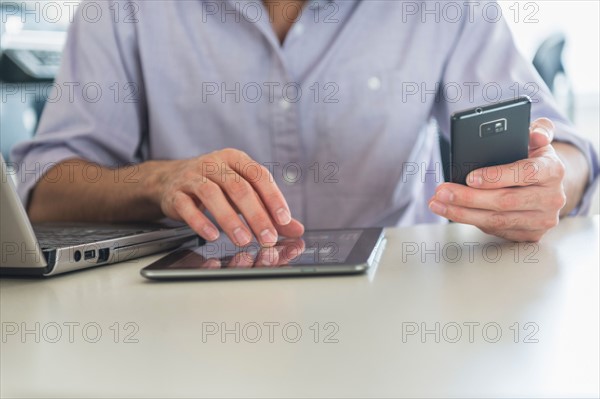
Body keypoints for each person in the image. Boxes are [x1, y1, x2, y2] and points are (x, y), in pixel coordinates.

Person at [11, 0, 599, 248]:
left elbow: (569, 152)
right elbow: (44, 192)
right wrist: (157, 182)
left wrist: (551, 178)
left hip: (402, 313)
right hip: (193, 321)